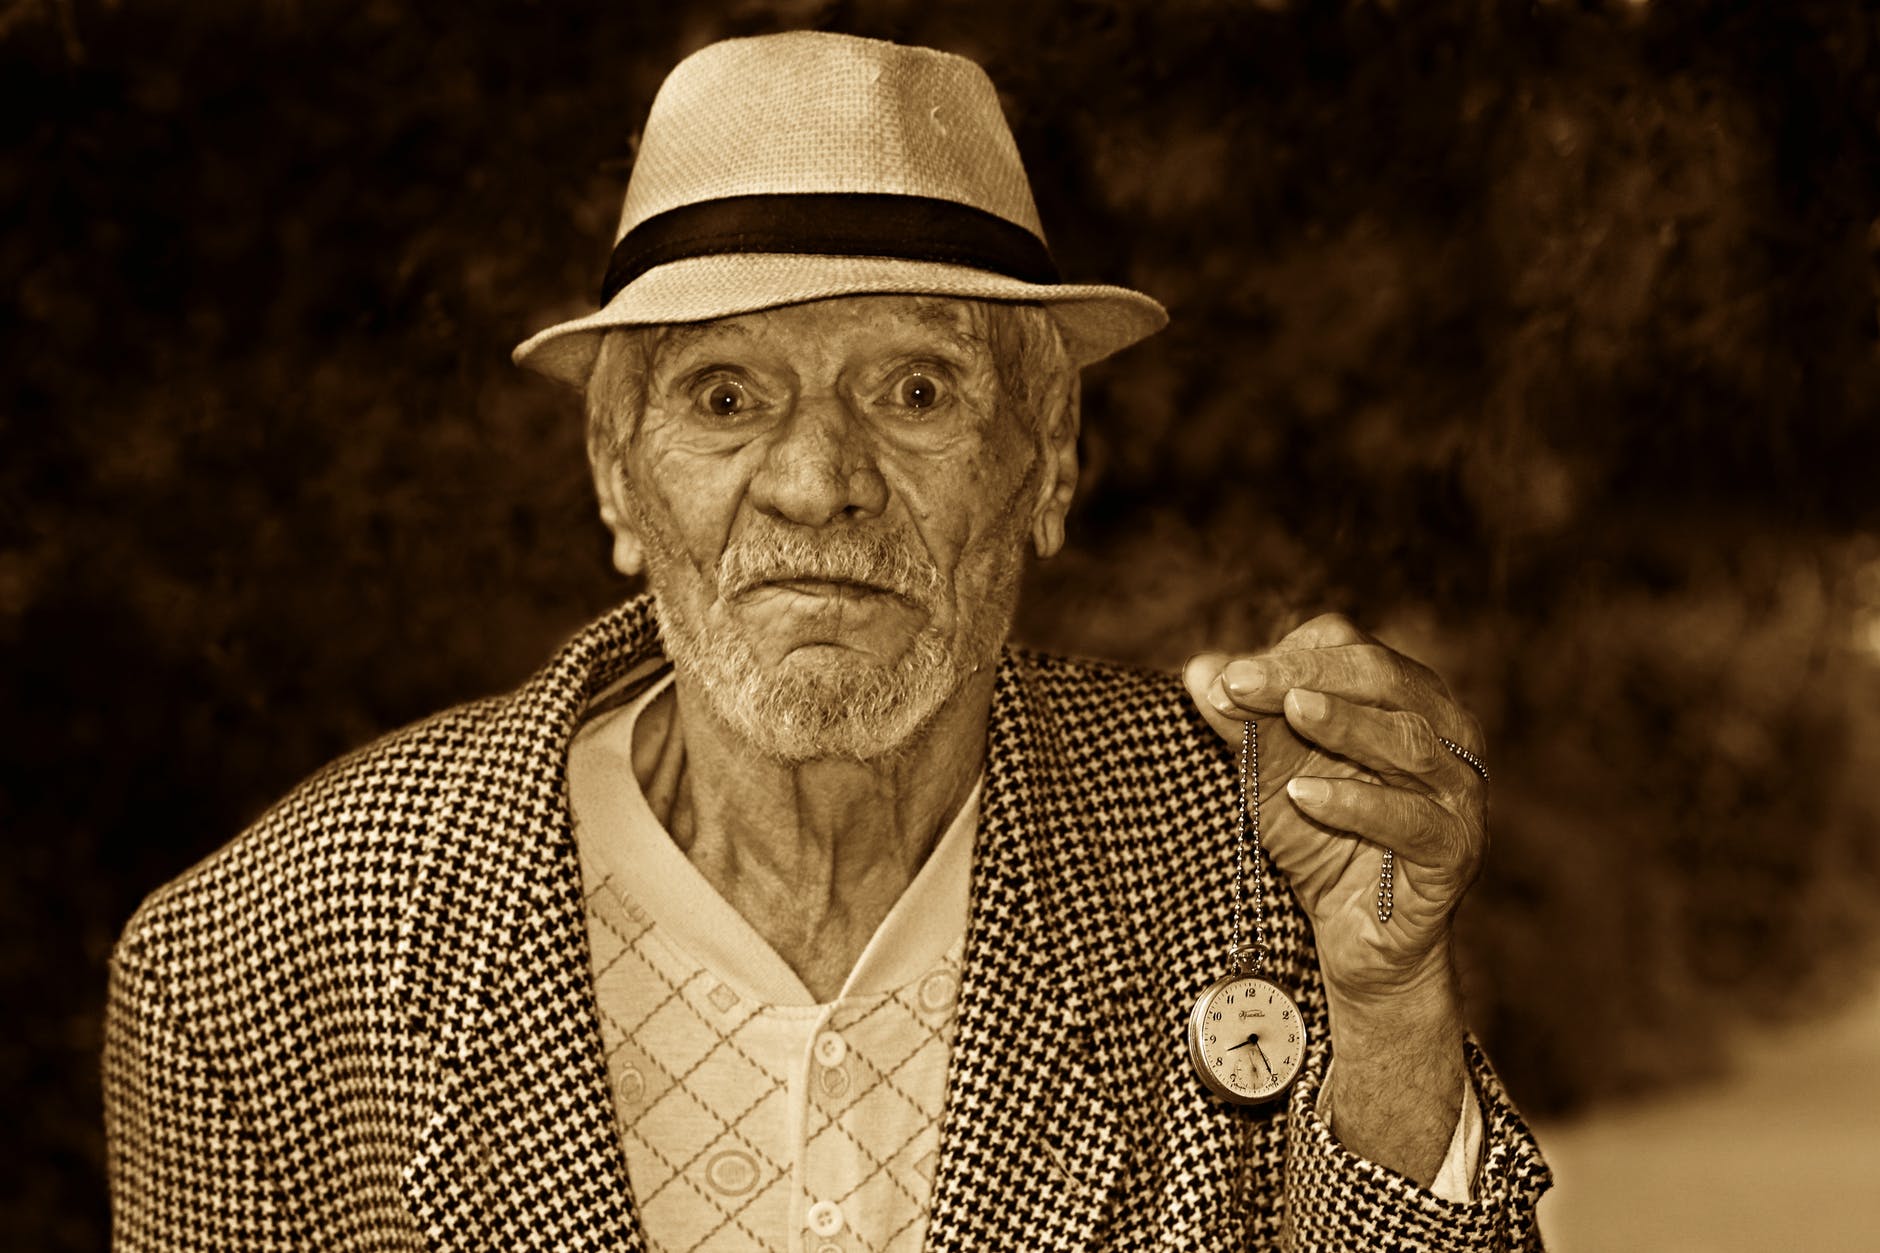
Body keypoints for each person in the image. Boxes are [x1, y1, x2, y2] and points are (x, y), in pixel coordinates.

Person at [104, 30, 1550, 1251]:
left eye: (915, 390)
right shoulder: (259, 965)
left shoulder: (1252, 860)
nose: (816, 480)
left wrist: (1388, 1006)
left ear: (1045, 462)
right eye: (726, 397)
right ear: (616, 470)